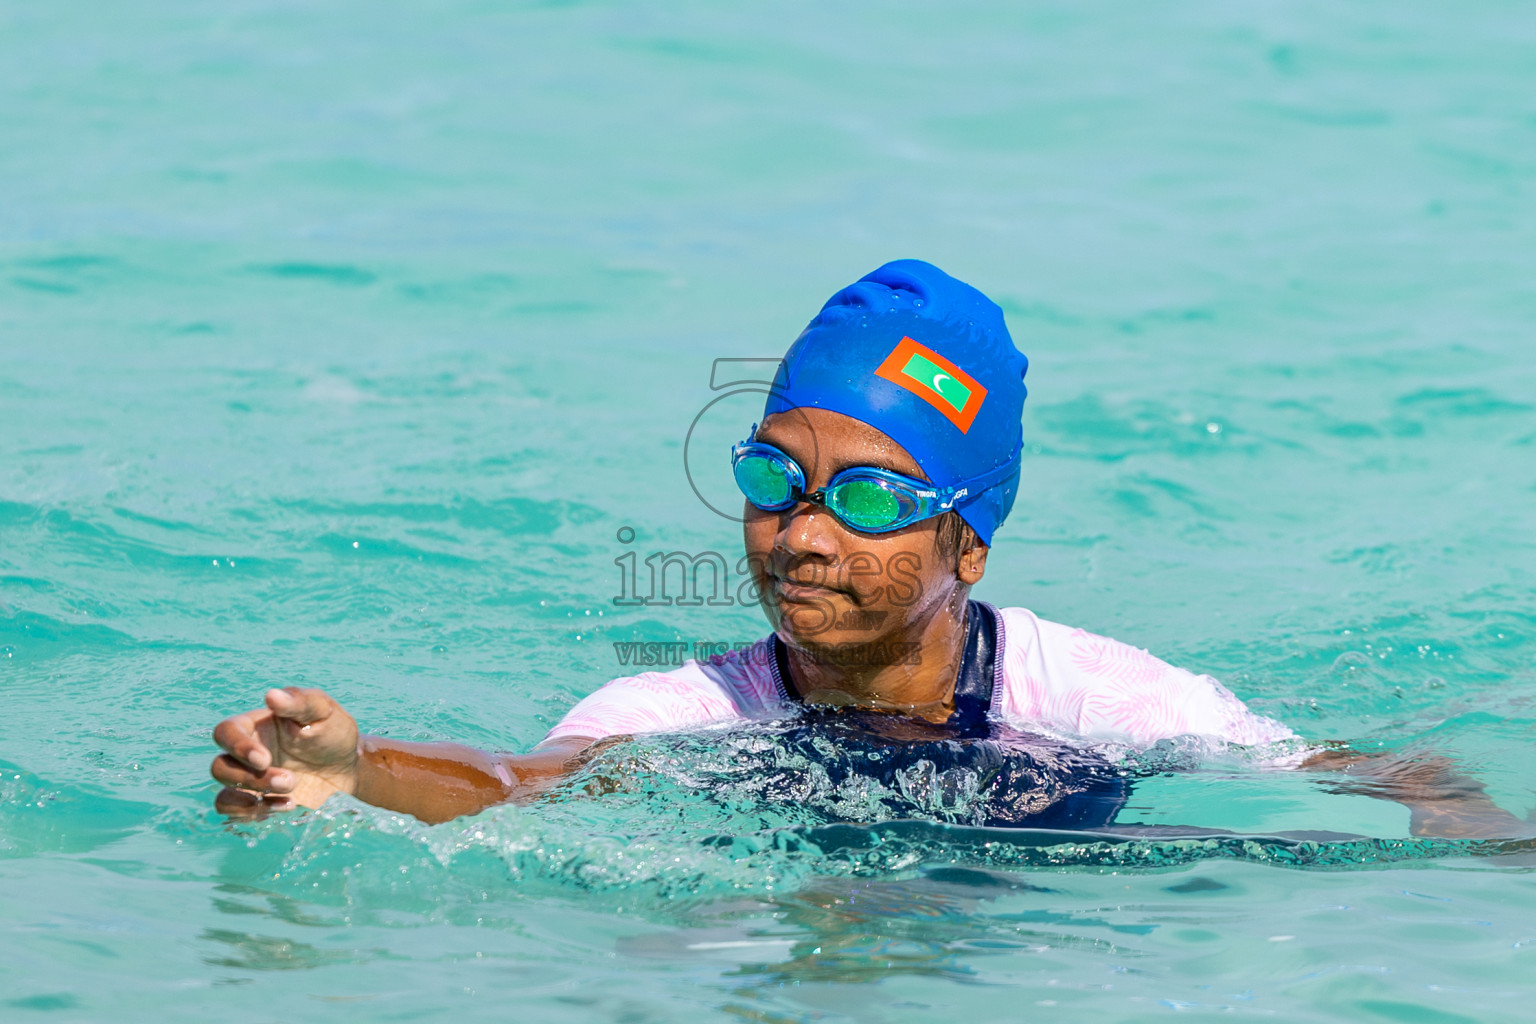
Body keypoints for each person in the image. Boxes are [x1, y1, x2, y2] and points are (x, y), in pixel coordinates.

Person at [211, 261, 1527, 838]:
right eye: (773, 479)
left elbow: (1373, 776)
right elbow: (524, 785)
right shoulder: (685, 715)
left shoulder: (1095, 698)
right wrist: (356, 769)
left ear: (969, 542)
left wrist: (1472, 840)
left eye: (871, 500)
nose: (804, 533)